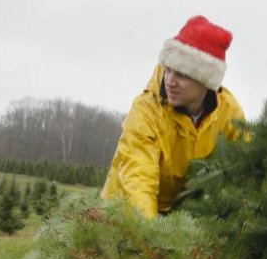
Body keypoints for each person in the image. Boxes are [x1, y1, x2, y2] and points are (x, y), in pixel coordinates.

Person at [102, 15, 245, 217]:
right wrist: (149, 231)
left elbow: (248, 160)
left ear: (205, 81)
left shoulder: (228, 112)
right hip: (126, 213)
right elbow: (138, 178)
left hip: (179, 217)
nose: (170, 81)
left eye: (182, 74)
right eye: (168, 70)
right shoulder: (146, 110)